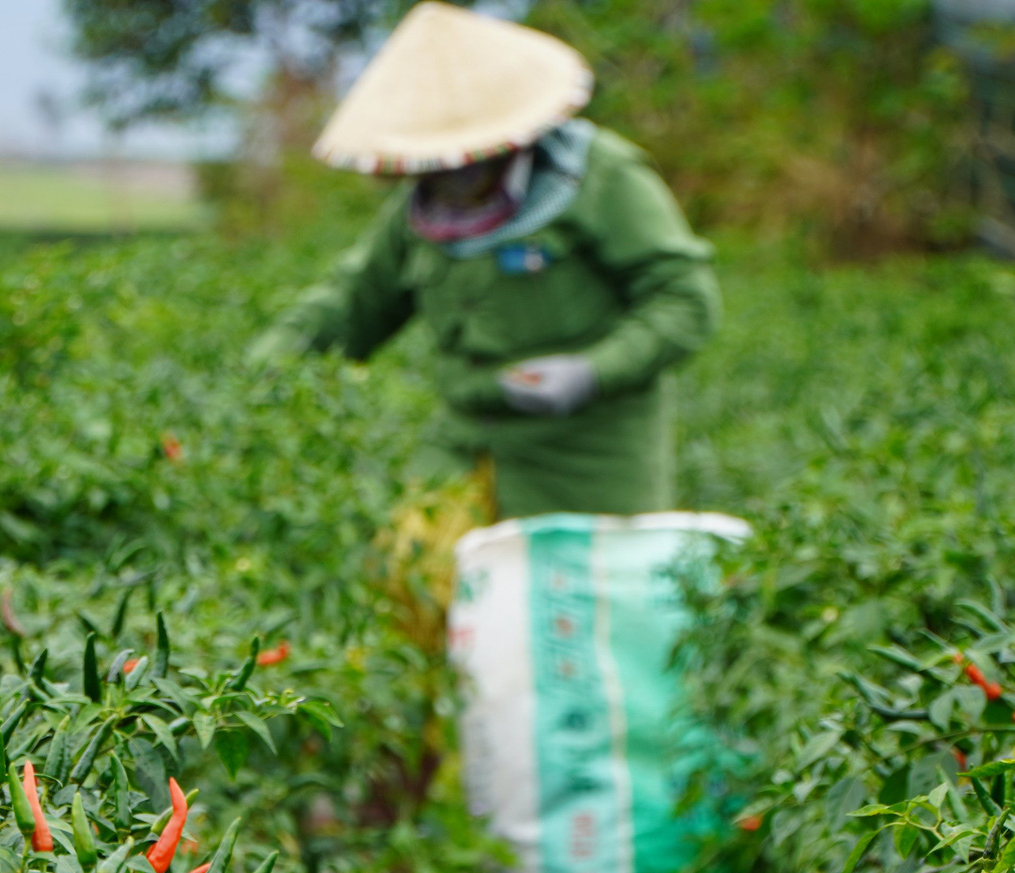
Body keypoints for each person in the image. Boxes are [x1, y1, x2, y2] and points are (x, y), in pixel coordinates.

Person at [251, 1, 721, 520]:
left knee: (568, 597)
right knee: (414, 580)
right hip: (462, 446)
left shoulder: (603, 180)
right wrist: (254, 383)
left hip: (588, 464)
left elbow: (685, 300)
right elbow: (350, 303)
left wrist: (591, 372)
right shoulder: (417, 213)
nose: (450, 177)